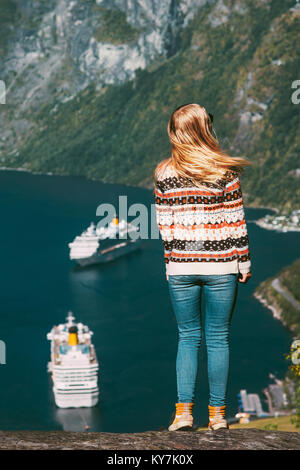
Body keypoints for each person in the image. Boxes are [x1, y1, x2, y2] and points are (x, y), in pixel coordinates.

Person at [153, 103, 253, 432]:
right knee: (218, 340)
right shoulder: (225, 172)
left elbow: (164, 227)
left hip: (181, 266)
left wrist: (171, 263)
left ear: (176, 134)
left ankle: (183, 414)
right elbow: (236, 222)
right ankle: (218, 417)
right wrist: (243, 261)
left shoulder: (164, 174)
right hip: (221, 265)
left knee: (187, 339)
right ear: (205, 130)